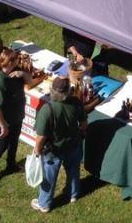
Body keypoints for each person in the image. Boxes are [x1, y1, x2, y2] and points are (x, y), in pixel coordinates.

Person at [32, 76, 87, 213]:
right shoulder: (76, 102)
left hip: (53, 151)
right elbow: (84, 123)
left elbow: (41, 137)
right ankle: (73, 194)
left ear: (52, 90)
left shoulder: (47, 110)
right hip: (73, 144)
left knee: (49, 177)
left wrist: (36, 151)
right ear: (68, 90)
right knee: (73, 171)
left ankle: (44, 204)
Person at [0, 47, 32, 188]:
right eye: (16, 59)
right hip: (4, 121)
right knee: (1, 146)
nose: (19, 60)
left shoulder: (15, 71)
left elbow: (30, 80)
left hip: (16, 117)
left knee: (14, 143)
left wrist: (22, 73)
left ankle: (11, 164)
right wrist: (3, 126)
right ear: (10, 62)